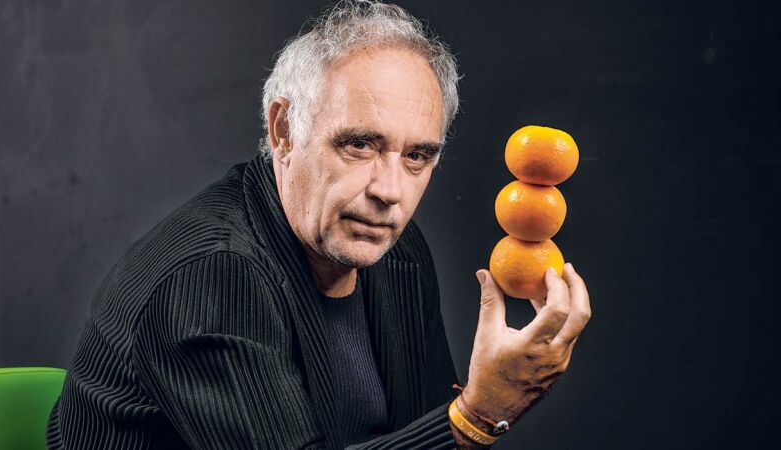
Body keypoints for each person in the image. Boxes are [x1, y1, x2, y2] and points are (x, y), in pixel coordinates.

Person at [46, 1, 592, 449]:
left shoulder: (393, 249)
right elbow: (458, 425)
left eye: (417, 156)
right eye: (360, 145)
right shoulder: (210, 276)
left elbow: (425, 422)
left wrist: (473, 410)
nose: (389, 191)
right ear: (284, 131)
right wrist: (479, 414)